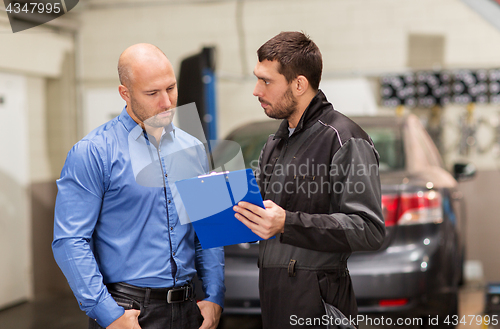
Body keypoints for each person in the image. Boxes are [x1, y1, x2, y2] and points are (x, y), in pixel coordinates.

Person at [52, 43, 224, 329]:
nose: (167, 102)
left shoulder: (192, 148)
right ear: (125, 93)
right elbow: (70, 241)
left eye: (171, 88)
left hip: (189, 309)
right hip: (128, 312)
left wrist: (215, 294)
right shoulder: (93, 153)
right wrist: (107, 312)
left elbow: (208, 228)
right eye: (153, 93)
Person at [233, 32, 385, 328]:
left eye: (266, 81)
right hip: (275, 297)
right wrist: (226, 193)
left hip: (319, 305)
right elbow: (262, 219)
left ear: (299, 84)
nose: (256, 90)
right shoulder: (275, 144)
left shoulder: (344, 139)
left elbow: (369, 229)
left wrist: (287, 223)